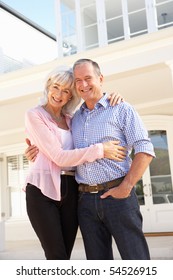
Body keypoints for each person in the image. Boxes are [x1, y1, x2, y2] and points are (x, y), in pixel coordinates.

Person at [24, 65, 126, 260]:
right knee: (56, 256)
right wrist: (101, 149)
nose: (59, 94)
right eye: (55, 87)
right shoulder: (34, 115)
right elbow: (59, 156)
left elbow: (92, 116)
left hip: (72, 188)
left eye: (65, 91)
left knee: (65, 255)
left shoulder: (72, 119)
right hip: (42, 190)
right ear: (48, 87)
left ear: (71, 96)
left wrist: (112, 98)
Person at [70, 58, 155, 260]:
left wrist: (126, 187)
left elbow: (145, 148)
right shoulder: (74, 118)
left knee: (136, 259)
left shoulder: (121, 108)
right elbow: (60, 150)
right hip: (85, 202)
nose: (83, 85)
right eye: (78, 80)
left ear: (100, 79)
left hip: (119, 196)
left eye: (88, 78)